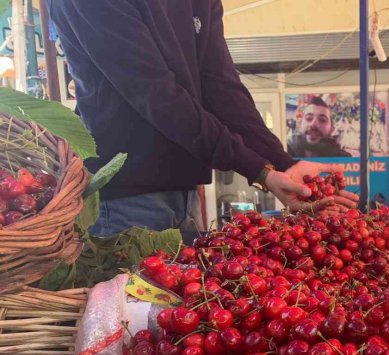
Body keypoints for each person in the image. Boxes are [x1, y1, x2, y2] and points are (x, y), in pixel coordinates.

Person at [48, 0, 358, 237]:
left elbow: (221, 86)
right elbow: (154, 93)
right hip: (121, 201)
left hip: (185, 195)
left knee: (183, 316)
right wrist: (258, 170)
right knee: (128, 318)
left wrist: (283, 164)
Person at [287, 97, 352, 159]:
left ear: (332, 129)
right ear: (300, 124)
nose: (313, 124)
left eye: (322, 120)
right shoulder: (285, 154)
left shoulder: (344, 160)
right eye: (309, 118)